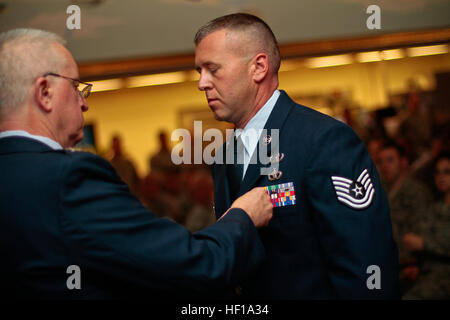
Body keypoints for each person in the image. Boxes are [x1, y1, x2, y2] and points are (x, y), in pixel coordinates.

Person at [0, 28, 273, 299]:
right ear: (44, 92)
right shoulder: (69, 178)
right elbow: (193, 265)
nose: (84, 103)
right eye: (75, 87)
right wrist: (242, 217)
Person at [194, 13, 399, 299]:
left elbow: (365, 259)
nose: (202, 83)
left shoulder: (323, 140)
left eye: (213, 69)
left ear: (259, 67)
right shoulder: (224, 154)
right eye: (199, 71)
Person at [377, 141, 432, 294]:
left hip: (408, 265)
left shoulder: (416, 192)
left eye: (390, 160)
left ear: (403, 162)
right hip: (385, 263)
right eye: (380, 162)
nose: (384, 166)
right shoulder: (380, 192)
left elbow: (422, 232)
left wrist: (414, 262)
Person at [402, 152, 450, 299]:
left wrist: (423, 244)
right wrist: (416, 265)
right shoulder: (435, 207)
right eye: (437, 172)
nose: (441, 176)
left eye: (447, 172)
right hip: (427, 272)